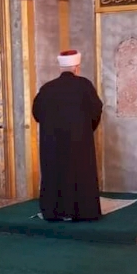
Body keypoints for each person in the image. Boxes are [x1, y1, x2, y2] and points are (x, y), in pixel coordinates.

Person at [32, 50, 104, 221]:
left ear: (60, 67)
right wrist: (86, 130)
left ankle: (54, 212)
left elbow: (37, 113)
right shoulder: (84, 85)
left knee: (55, 174)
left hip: (52, 144)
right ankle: (83, 212)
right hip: (79, 142)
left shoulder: (47, 88)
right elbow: (96, 110)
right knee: (79, 174)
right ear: (77, 67)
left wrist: (51, 130)